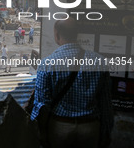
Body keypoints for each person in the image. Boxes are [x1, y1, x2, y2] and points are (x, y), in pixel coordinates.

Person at [31, 18, 114, 148]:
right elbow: (105, 103)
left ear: (56, 35)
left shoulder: (47, 64)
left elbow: (42, 104)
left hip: (59, 127)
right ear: (77, 34)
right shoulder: (99, 61)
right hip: (90, 127)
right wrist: (106, 133)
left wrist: (41, 132)